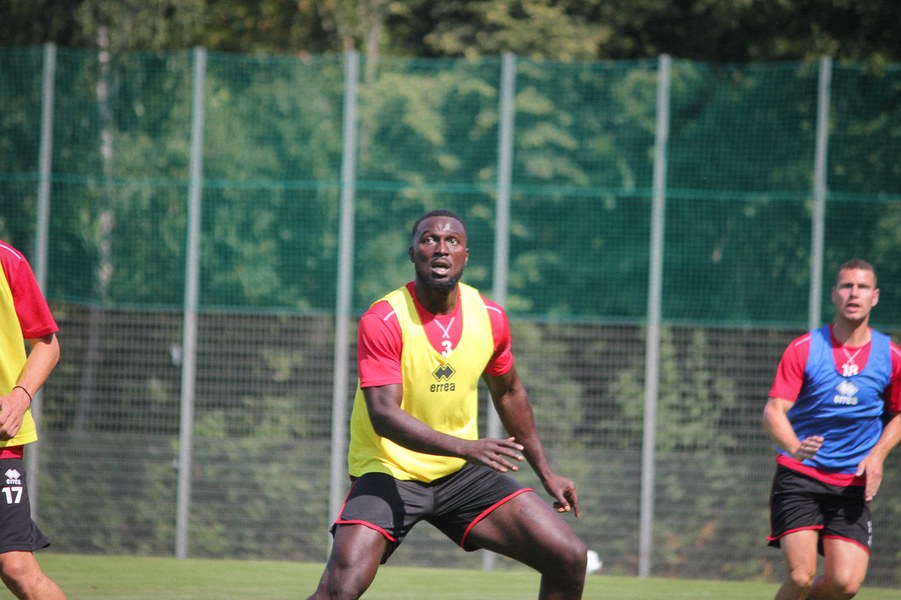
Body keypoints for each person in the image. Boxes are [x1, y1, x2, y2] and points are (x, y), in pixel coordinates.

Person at [308, 210, 587, 600]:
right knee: (339, 590)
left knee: (569, 557)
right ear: (413, 253)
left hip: (460, 475)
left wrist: (546, 472)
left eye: (451, 241)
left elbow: (509, 392)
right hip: (389, 470)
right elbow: (384, 415)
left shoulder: (489, 317)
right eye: (429, 239)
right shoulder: (384, 319)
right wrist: (467, 448)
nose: (441, 248)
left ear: (465, 256)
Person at [763, 258, 901, 600]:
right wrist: (794, 446)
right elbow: (774, 410)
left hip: (852, 483)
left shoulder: (891, 356)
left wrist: (878, 455)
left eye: (862, 287)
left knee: (845, 585)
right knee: (800, 576)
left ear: (875, 297)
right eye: (846, 286)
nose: (854, 293)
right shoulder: (805, 349)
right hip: (801, 476)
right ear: (834, 294)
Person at [0, 240, 66, 599]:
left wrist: (19, 397)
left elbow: (48, 344)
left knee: (16, 567)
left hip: (2, 441)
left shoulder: (7, 260)